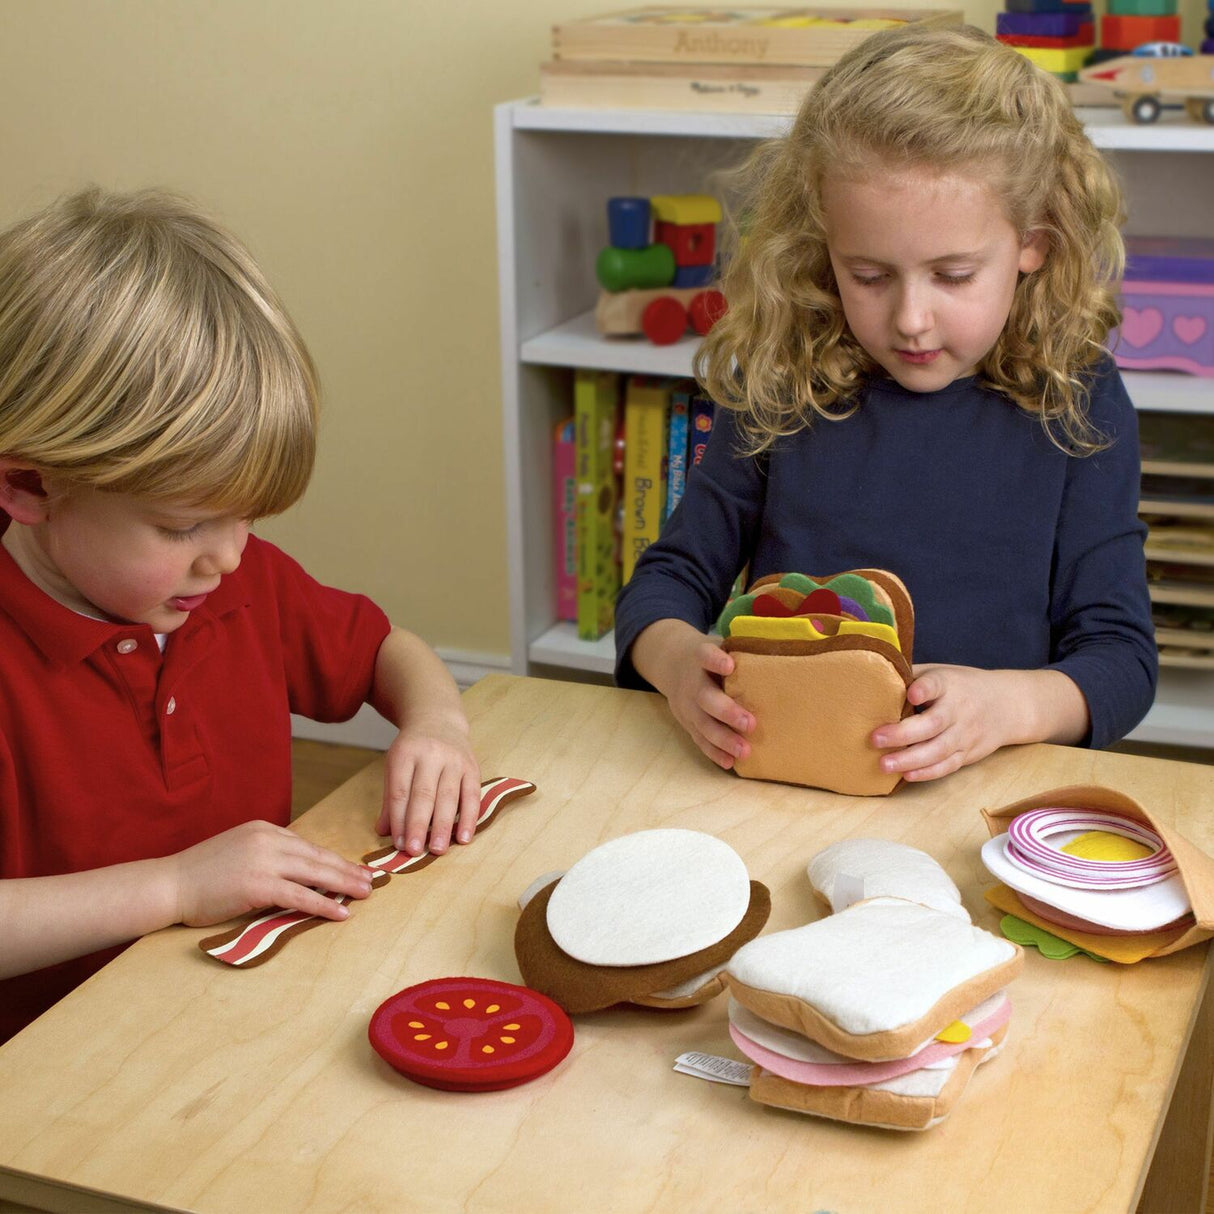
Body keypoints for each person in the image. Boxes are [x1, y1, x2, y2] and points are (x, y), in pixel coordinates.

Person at [0, 187, 480, 1043]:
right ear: (30, 485)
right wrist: (175, 889)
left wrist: (437, 723)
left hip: (234, 1014)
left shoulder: (234, 581)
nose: (226, 557)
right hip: (51, 1081)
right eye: (183, 526)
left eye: (248, 515)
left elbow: (384, 651)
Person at [615, 24, 1156, 782]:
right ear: (824, 240)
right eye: (868, 274)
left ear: (1033, 243)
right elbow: (667, 582)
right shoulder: (781, 377)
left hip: (988, 796)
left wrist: (1010, 707)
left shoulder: (1081, 399)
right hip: (789, 781)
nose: (909, 318)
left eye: (954, 275)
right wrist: (677, 665)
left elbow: (1122, 660)